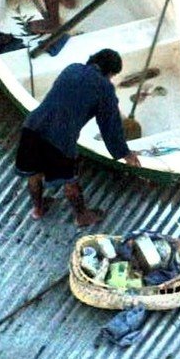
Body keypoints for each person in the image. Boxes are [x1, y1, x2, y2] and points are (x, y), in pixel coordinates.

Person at [14, 49, 141, 226]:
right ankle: (82, 216)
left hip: (33, 125)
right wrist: (124, 152)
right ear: (110, 73)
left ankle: (38, 209)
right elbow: (110, 125)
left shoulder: (72, 69)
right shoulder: (105, 88)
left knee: (34, 174)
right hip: (60, 138)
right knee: (69, 181)